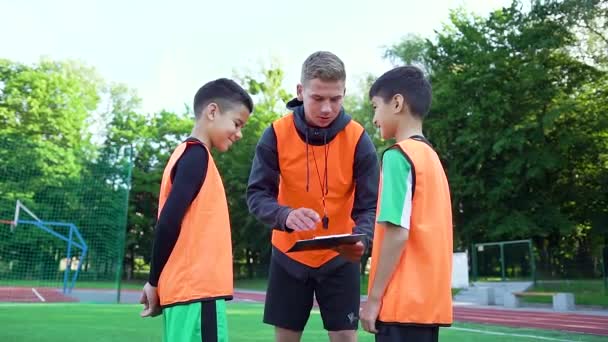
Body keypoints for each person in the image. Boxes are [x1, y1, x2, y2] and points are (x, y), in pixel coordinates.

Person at [246, 51, 379, 342]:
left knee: (345, 337)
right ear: (300, 91)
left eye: (335, 98)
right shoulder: (275, 134)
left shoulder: (359, 139)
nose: (327, 108)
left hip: (340, 257)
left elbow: (369, 205)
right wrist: (285, 215)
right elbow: (257, 195)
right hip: (288, 254)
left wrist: (362, 238)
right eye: (318, 98)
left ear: (344, 92)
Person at [139, 78, 254, 342]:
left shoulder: (187, 155)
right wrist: (154, 281)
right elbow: (168, 222)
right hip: (197, 294)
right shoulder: (196, 156)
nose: (239, 134)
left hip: (185, 295)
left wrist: (157, 281)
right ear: (212, 112)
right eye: (237, 124)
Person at [360, 66, 453, 342]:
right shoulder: (432, 159)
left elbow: (397, 231)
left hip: (400, 305)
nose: (374, 118)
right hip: (427, 307)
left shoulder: (398, 157)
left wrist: (374, 299)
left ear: (397, 103)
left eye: (376, 107)